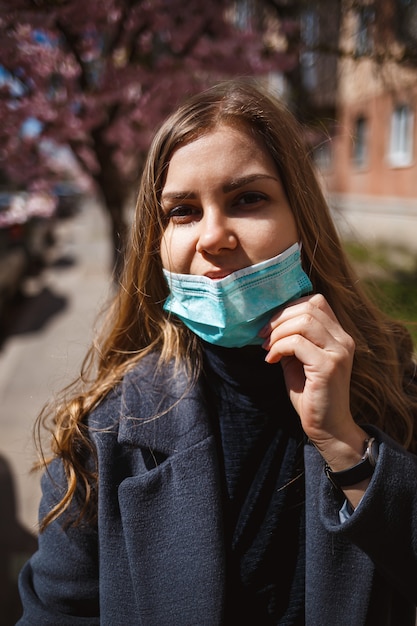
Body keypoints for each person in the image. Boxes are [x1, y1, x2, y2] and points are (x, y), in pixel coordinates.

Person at [17, 79, 417, 626]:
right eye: (182, 210)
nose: (213, 236)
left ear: (302, 217)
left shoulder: (395, 385)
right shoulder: (102, 437)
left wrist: (346, 445)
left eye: (247, 199)